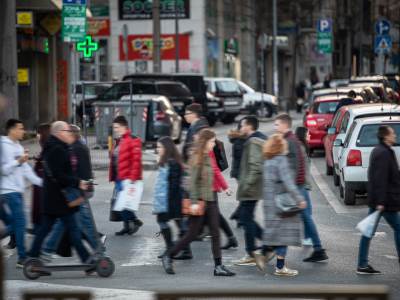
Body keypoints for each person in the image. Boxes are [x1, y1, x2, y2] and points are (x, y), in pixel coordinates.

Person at [161, 129, 235, 276]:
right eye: (212, 141)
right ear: (205, 141)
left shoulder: (210, 154)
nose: (214, 144)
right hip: (200, 199)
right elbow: (192, 183)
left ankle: (218, 266)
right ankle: (168, 255)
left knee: (215, 232)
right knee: (192, 234)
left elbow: (215, 171)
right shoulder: (196, 157)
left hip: (212, 198)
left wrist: (225, 187)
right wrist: (194, 202)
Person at [28, 121, 92, 272]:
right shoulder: (57, 149)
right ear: (58, 132)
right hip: (59, 198)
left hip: (54, 197)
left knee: (48, 228)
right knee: (72, 229)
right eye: (67, 130)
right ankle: (87, 261)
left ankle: (32, 257)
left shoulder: (55, 147)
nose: (69, 132)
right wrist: (78, 183)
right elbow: (60, 175)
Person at [274, 114, 328, 262]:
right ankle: (318, 248)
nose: (275, 127)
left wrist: (290, 189)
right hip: (297, 187)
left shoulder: (290, 141)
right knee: (304, 217)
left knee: (286, 219)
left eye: (277, 124)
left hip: (296, 187)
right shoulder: (292, 140)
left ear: (285, 125)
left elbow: (295, 167)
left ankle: (275, 252)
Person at [257, 134, 306, 276]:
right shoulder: (281, 160)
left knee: (275, 234)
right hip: (281, 204)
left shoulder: (268, 161)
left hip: (269, 203)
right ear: (280, 146)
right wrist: (299, 199)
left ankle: (263, 255)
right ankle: (280, 267)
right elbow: (288, 183)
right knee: (284, 235)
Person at [357, 125, 400, 274]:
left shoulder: (383, 151)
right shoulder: (383, 153)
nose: (394, 135)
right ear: (386, 136)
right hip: (384, 202)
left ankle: (362, 264)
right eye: (392, 133)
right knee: (398, 228)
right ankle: (362, 264)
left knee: (368, 232)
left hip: (380, 200)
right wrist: (381, 202)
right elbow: (380, 179)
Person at [0, 119, 42, 267]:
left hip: (15, 191)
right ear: (11, 130)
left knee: (15, 224)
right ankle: (22, 258)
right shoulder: (3, 145)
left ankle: (22, 257)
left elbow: (26, 171)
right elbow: (3, 170)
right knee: (20, 224)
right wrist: (18, 161)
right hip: (8, 191)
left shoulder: (18, 147)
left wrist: (43, 183)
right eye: (20, 128)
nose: (23, 131)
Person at [235, 116, 268, 266]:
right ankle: (267, 244)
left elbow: (255, 166)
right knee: (246, 218)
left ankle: (252, 252)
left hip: (251, 188)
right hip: (254, 187)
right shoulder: (258, 139)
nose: (240, 128)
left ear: (249, 126)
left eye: (242, 125)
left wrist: (246, 185)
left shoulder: (253, 142)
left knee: (245, 219)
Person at [109, 116, 143, 235]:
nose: (115, 129)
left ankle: (134, 220)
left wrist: (133, 178)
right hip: (119, 176)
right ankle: (127, 225)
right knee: (120, 202)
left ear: (124, 127)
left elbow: (136, 160)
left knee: (122, 202)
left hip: (127, 177)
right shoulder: (119, 140)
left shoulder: (133, 139)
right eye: (114, 127)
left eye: (117, 127)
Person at [153, 136, 184, 257]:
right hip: (167, 199)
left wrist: (167, 202)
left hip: (170, 200)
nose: (157, 149)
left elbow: (174, 185)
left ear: (167, 148)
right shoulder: (167, 162)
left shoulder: (173, 163)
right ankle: (182, 249)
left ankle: (170, 248)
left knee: (164, 221)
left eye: (159, 147)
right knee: (179, 223)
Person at [31, 123, 51, 235]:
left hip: (42, 188)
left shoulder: (47, 148)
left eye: (38, 133)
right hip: (41, 186)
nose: (36, 136)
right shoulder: (45, 147)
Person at [295, 126, 313, 246]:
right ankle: (308, 238)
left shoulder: (303, 147)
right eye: (308, 134)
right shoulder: (300, 148)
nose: (310, 136)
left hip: (303, 184)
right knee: (307, 212)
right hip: (302, 185)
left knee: (306, 213)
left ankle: (307, 237)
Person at [228, 120, 247, 227]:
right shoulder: (240, 141)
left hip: (240, 172)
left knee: (244, 195)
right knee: (245, 196)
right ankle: (239, 216)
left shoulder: (241, 140)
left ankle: (240, 217)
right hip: (240, 172)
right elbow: (242, 158)